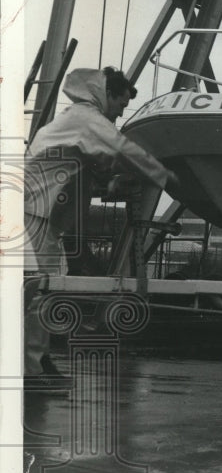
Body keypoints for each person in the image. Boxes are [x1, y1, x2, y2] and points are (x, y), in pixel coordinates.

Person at [23, 67, 179, 385]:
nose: (121, 113)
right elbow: (120, 147)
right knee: (41, 292)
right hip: (32, 217)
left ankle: (36, 360)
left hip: (42, 219)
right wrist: (163, 175)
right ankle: (32, 366)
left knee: (47, 292)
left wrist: (116, 178)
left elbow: (97, 162)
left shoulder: (77, 122)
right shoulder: (86, 117)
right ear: (107, 94)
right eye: (121, 104)